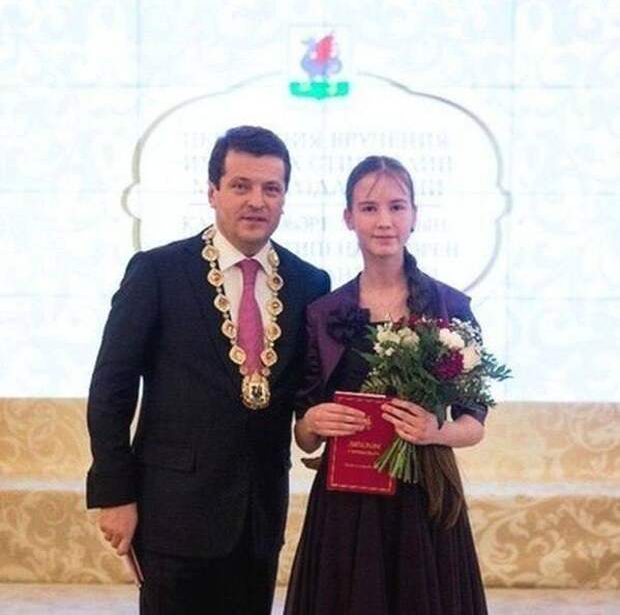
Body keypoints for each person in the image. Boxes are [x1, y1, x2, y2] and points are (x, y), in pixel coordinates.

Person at [86, 125, 330, 615]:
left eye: (271, 188)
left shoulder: (310, 283)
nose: (256, 200)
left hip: (259, 519)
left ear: (284, 198)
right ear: (213, 191)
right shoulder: (158, 271)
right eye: (240, 185)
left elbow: (309, 391)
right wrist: (115, 495)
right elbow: (111, 389)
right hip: (171, 514)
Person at [284, 155, 488, 615]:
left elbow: (474, 423)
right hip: (346, 500)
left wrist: (435, 431)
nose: (384, 221)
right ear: (348, 217)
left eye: (397, 207)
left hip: (426, 495)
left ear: (415, 215)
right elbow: (304, 434)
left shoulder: (449, 306)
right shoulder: (323, 312)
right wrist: (313, 420)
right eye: (369, 208)